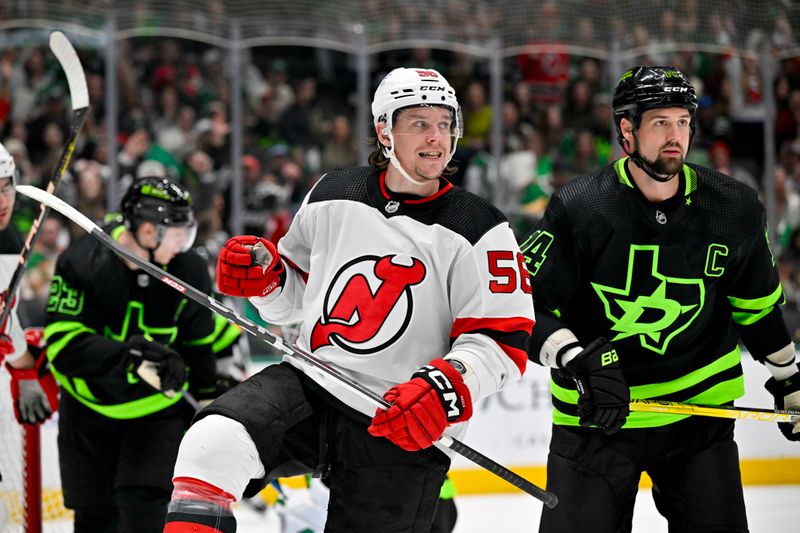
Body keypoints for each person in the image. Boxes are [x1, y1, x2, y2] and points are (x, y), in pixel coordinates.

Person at [164, 67, 535, 532]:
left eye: (445, 123)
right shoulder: (331, 194)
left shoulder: (480, 227)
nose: (437, 137)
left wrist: (445, 388)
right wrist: (267, 281)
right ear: (384, 130)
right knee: (213, 442)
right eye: (419, 123)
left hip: (401, 419)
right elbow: (297, 301)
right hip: (312, 384)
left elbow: (503, 341)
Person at [521, 65, 800, 533]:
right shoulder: (580, 207)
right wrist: (575, 357)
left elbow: (757, 310)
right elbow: (524, 307)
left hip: (699, 416)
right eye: (660, 123)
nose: (675, 136)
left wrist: (790, 378)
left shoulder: (733, 207)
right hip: (597, 417)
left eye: (683, 122)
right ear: (626, 130)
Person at [44, 176, 218, 532]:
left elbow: (200, 344)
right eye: (177, 235)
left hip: (156, 415)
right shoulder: (82, 262)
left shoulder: (190, 270)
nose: (184, 244)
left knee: (146, 515)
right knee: (95, 519)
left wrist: (211, 405)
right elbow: (62, 348)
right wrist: (129, 358)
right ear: (149, 231)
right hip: (87, 413)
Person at [0, 141, 58, 426]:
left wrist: (26, 369)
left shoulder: (10, 242)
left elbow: (6, 322)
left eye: (5, 187)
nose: (2, 202)